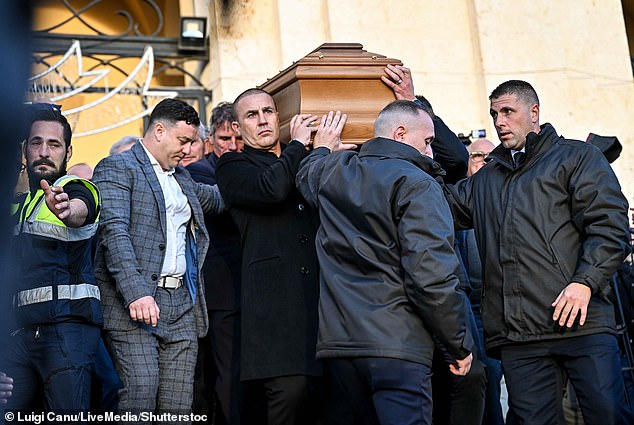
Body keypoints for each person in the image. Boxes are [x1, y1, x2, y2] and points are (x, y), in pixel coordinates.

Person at [446, 80, 632, 425]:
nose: (499, 121)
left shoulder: (576, 156)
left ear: (534, 113)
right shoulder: (486, 179)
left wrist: (585, 282)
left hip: (583, 325)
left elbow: (609, 226)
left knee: (608, 416)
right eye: (494, 113)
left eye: (507, 112)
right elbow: (433, 203)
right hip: (519, 337)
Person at [296, 100, 473, 425]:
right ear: (401, 133)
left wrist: (320, 147)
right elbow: (431, 276)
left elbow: (306, 175)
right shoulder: (418, 184)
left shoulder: (335, 170)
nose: (430, 152)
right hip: (397, 346)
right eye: (428, 141)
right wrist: (457, 345)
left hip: (342, 347)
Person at [93, 98, 225, 419]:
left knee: (179, 405)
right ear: (160, 131)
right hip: (133, 304)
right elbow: (114, 232)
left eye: (193, 142)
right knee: (140, 391)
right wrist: (136, 291)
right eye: (183, 141)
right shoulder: (117, 167)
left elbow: (224, 199)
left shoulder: (183, 179)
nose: (189, 149)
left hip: (182, 305)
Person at [215, 89, 329, 425]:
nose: (263, 119)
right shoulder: (233, 165)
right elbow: (272, 189)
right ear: (237, 127)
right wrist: (297, 145)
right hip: (277, 316)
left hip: (324, 309)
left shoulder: (306, 161)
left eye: (268, 111)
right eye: (252, 115)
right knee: (289, 396)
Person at [384, 64, 486, 425]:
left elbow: (457, 157)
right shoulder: (371, 172)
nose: (429, 149)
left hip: (448, 297)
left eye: (430, 142)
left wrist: (413, 102)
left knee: (470, 380)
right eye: (423, 140)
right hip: (401, 307)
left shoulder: (434, 174)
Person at [3, 104, 102, 415]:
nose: (44, 151)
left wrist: (66, 209)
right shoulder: (17, 205)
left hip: (67, 333)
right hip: (19, 337)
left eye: (54, 144)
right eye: (36, 142)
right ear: (25, 148)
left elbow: (79, 210)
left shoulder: (77, 188)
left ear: (68, 152)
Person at [186, 102, 244, 425]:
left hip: (246, 289)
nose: (232, 147)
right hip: (221, 292)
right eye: (224, 139)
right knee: (227, 375)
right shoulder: (200, 172)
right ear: (210, 141)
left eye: (238, 139)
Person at [456, 137, 506, 425]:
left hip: (494, 305)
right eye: (478, 156)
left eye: (491, 158)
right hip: (465, 307)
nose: (485, 163)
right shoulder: (458, 198)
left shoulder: (501, 199)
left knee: (493, 373)